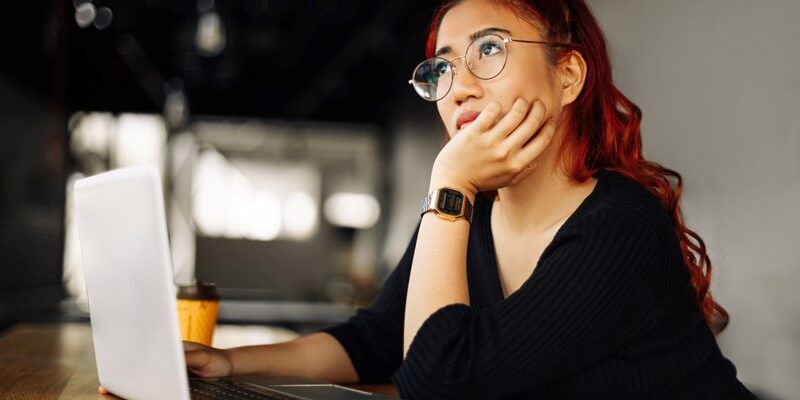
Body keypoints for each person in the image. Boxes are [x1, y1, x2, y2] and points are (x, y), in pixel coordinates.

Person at [101, 0, 756, 398]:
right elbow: (374, 341)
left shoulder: (618, 225)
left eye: (489, 51)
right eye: (442, 67)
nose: (458, 86)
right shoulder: (466, 218)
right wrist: (228, 363)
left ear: (568, 76)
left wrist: (448, 186)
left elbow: (439, 381)